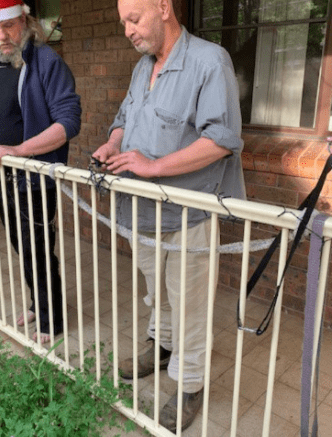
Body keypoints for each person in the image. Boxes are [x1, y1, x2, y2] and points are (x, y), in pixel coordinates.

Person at [92, 0, 245, 432]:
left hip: (189, 216)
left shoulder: (210, 61)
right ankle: (160, 348)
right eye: (124, 21)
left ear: (163, 7)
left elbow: (222, 139)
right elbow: (124, 118)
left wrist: (153, 166)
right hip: (143, 214)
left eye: (133, 19)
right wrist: (114, 146)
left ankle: (190, 385)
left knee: (189, 306)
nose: (127, 30)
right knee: (155, 294)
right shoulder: (144, 66)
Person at [0, 0, 81, 344]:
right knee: (20, 245)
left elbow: (68, 122)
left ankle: (51, 319)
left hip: (32, 178)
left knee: (38, 248)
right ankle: (37, 303)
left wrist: (18, 150)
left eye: (8, 26)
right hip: (0, 176)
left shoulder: (46, 62)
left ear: (23, 20)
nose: (1, 36)